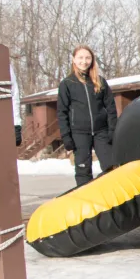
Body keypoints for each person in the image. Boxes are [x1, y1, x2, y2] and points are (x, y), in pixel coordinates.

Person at [57, 45, 117, 187]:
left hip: (101, 131)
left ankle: (109, 197)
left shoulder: (100, 81)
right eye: (80, 58)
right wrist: (66, 137)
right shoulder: (67, 84)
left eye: (87, 58)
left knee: (111, 167)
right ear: (74, 60)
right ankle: (88, 201)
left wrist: (112, 130)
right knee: (83, 171)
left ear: (92, 60)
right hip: (79, 133)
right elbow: (62, 112)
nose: (84, 61)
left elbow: (111, 107)